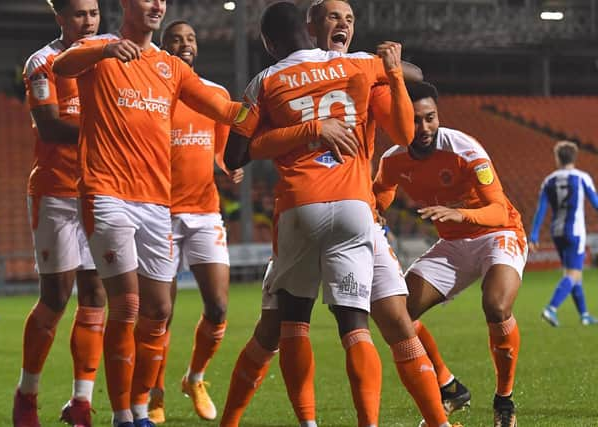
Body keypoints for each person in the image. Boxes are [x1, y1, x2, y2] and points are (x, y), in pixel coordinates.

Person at [220, 2, 465, 427]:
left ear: (267, 41)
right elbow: (410, 121)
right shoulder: (361, 68)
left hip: (307, 209)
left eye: (350, 19)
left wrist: (388, 70)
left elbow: (236, 153)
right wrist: (389, 67)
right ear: (309, 26)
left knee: (307, 321)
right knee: (349, 327)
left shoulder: (271, 79)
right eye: (334, 17)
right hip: (354, 211)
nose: (344, 25)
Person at [52, 0, 245, 425]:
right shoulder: (99, 47)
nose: (157, 3)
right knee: (127, 306)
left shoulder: (170, 68)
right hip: (107, 194)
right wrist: (103, 51)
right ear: (126, 4)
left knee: (158, 311)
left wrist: (269, 110)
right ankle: (125, 415)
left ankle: (142, 405)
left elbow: (223, 110)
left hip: (157, 203)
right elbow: (62, 65)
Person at [373, 81, 526, 427]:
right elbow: (381, 190)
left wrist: (462, 215)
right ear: (400, 119)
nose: (424, 128)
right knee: (398, 313)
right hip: (454, 245)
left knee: (496, 306)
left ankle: (504, 400)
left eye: (430, 118)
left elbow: (499, 211)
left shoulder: (464, 149)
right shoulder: (393, 159)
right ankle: (449, 386)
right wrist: (375, 210)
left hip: (496, 233)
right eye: (415, 120)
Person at [12, 2, 106, 426]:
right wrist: (109, 131)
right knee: (55, 297)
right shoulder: (43, 62)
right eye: (79, 14)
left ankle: (81, 403)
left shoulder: (108, 56)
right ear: (61, 19)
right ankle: (27, 395)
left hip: (101, 192)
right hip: (56, 191)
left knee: (96, 296)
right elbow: (49, 127)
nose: (88, 21)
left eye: (94, 12)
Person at [146, 20, 244, 424]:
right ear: (164, 47)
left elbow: (222, 148)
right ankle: (155, 395)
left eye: (190, 39)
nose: (185, 45)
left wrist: (229, 167)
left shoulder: (214, 94)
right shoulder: (150, 93)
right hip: (159, 214)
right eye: (176, 40)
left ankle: (195, 378)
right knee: (160, 313)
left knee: (219, 307)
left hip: (205, 212)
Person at [529, 140, 598, 327]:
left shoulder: (549, 180)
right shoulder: (582, 177)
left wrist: (534, 235)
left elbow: (541, 209)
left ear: (558, 158)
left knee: (573, 274)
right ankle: (551, 309)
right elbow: (596, 203)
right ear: (574, 157)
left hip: (557, 232)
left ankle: (584, 315)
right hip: (575, 232)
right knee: (573, 274)